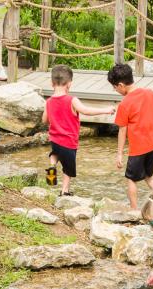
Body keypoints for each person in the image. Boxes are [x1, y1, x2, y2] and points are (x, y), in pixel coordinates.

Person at [108, 63, 153, 210]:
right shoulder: (150, 93)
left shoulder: (125, 103)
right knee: (149, 176)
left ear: (121, 85)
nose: (115, 90)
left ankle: (134, 211)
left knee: (131, 179)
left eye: (114, 87)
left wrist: (119, 154)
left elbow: (122, 130)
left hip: (140, 147)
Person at [41, 64, 115, 195]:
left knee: (55, 154)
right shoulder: (72, 100)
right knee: (68, 169)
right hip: (69, 141)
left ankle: (52, 166)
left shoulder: (49, 101)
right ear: (69, 84)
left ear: (52, 83)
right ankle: (64, 191)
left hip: (55, 139)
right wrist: (105, 110)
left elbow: (44, 120)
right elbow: (86, 111)